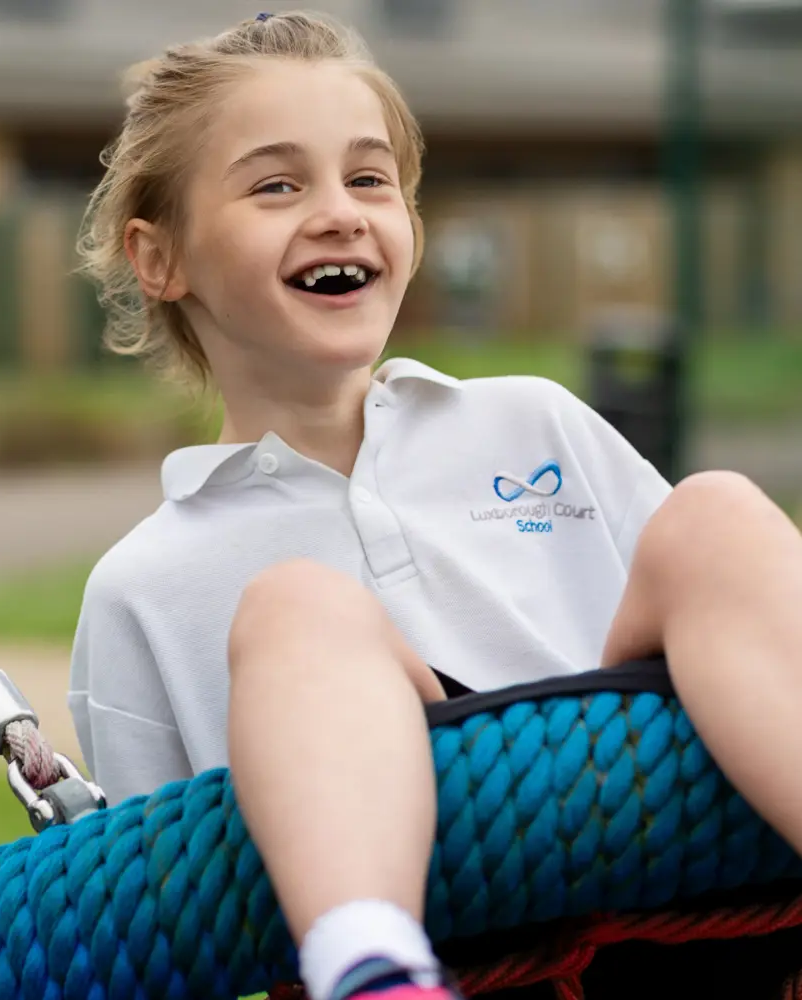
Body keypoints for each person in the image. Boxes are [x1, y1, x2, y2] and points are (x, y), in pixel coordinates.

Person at [68, 11, 802, 1000]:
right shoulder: (147, 587)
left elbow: (721, 625)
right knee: (297, 605)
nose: (338, 212)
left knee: (714, 513)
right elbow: (149, 908)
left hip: (690, 922)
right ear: (160, 259)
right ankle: (372, 967)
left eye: (369, 178)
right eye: (277, 185)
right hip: (472, 958)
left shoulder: (533, 423)